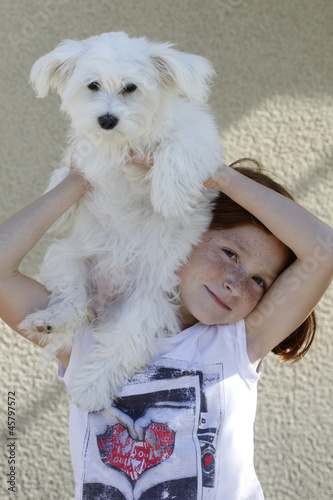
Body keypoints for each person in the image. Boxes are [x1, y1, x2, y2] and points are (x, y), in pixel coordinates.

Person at [0, 158, 332, 499]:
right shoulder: (89, 338)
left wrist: (221, 177)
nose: (237, 284)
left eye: (259, 280)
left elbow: (324, 251)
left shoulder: (239, 343)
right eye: (230, 254)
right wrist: (82, 178)